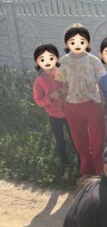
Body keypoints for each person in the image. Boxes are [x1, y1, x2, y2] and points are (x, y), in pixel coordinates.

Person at [57, 24, 107, 176]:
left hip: (92, 105)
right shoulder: (63, 61)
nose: (77, 44)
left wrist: (103, 101)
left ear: (88, 42)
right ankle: (86, 173)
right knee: (81, 144)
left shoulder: (93, 61)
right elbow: (62, 84)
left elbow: (103, 82)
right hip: (72, 107)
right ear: (67, 43)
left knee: (97, 142)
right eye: (73, 41)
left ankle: (100, 173)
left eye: (82, 41)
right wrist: (62, 102)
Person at [32, 44, 74, 180]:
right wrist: (50, 97)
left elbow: (74, 85)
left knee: (76, 140)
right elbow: (38, 101)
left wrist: (66, 89)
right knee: (60, 142)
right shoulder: (39, 81)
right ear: (37, 62)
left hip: (69, 113)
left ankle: (82, 166)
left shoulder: (63, 73)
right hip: (54, 116)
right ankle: (66, 167)